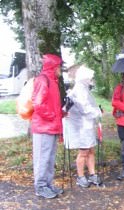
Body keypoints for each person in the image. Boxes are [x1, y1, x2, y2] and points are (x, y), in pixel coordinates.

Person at [63, 65, 103, 187]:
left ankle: (92, 174)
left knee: (90, 150)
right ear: (84, 77)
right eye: (90, 77)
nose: (91, 79)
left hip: (86, 125)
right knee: (83, 152)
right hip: (80, 126)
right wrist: (98, 112)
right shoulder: (79, 89)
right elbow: (84, 108)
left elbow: (89, 105)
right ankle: (80, 177)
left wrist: (97, 110)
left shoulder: (84, 89)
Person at [31, 54, 64, 199]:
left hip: (51, 126)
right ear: (54, 66)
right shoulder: (43, 80)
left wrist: (60, 113)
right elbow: (38, 104)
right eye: (59, 67)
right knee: (42, 159)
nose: (60, 70)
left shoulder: (52, 81)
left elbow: (50, 105)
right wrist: (52, 116)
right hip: (43, 127)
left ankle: (48, 184)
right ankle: (40, 187)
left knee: (49, 159)